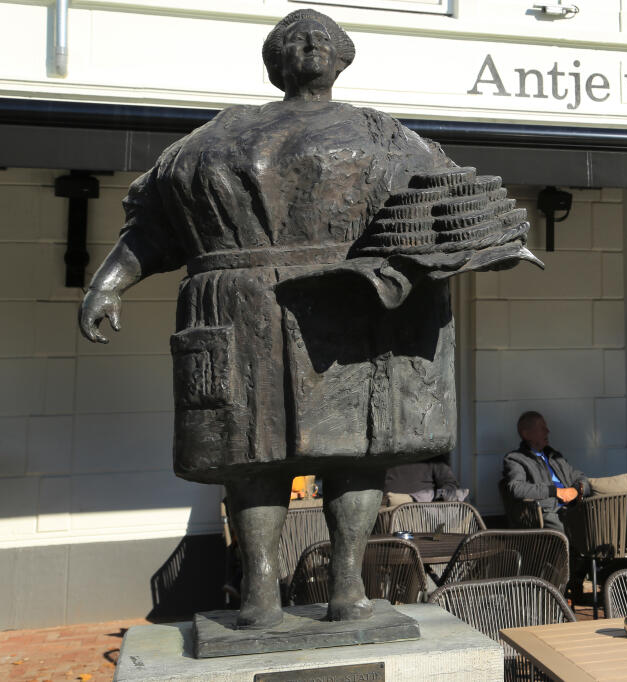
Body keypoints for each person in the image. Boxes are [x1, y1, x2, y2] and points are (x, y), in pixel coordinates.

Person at [78, 9, 537, 629]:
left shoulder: (386, 134)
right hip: (243, 313)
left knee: (356, 455)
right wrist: (108, 282)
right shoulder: (216, 137)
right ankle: (259, 596)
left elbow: (450, 211)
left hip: (351, 315)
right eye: (293, 39)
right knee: (250, 462)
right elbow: (155, 225)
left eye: (322, 37)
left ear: (344, 57)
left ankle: (349, 587)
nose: (309, 45)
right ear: (274, 61)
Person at [501, 411, 591, 532]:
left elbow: (581, 477)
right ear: (526, 434)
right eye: (542, 428)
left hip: (573, 508)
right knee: (577, 530)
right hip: (546, 513)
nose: (548, 431)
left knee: (602, 520)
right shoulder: (515, 458)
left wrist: (576, 490)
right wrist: (554, 491)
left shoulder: (554, 456)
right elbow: (516, 488)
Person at [383, 457, 466, 502]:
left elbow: (451, 486)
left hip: (424, 516)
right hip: (387, 515)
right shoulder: (385, 457)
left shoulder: (433, 457)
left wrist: (414, 498)